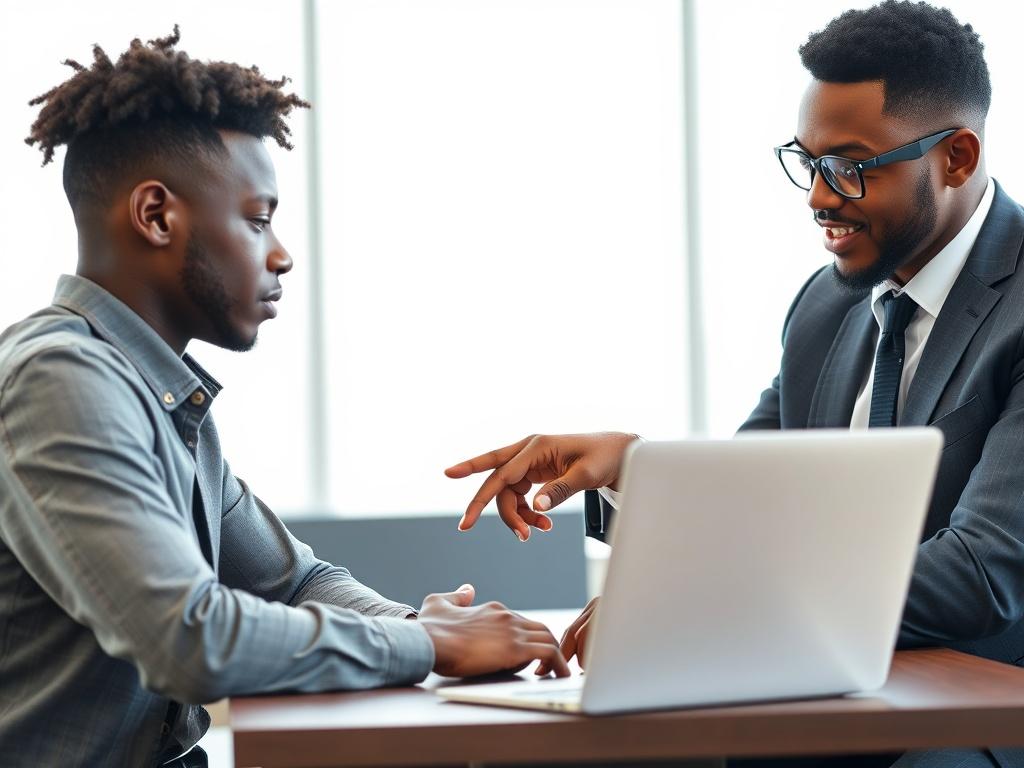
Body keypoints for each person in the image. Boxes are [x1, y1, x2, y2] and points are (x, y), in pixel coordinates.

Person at [448, 2, 1024, 766]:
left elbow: (982, 577)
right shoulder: (827, 307)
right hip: (819, 700)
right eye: (808, 161)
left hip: (972, 722)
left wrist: (695, 608)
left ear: (956, 156)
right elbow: (746, 508)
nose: (820, 197)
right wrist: (632, 467)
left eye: (851, 167)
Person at [0, 28, 569, 768]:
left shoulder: (161, 396)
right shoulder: (60, 382)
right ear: (156, 216)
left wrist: (413, 623)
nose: (281, 254)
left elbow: (292, 578)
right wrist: (427, 641)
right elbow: (188, 639)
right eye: (257, 218)